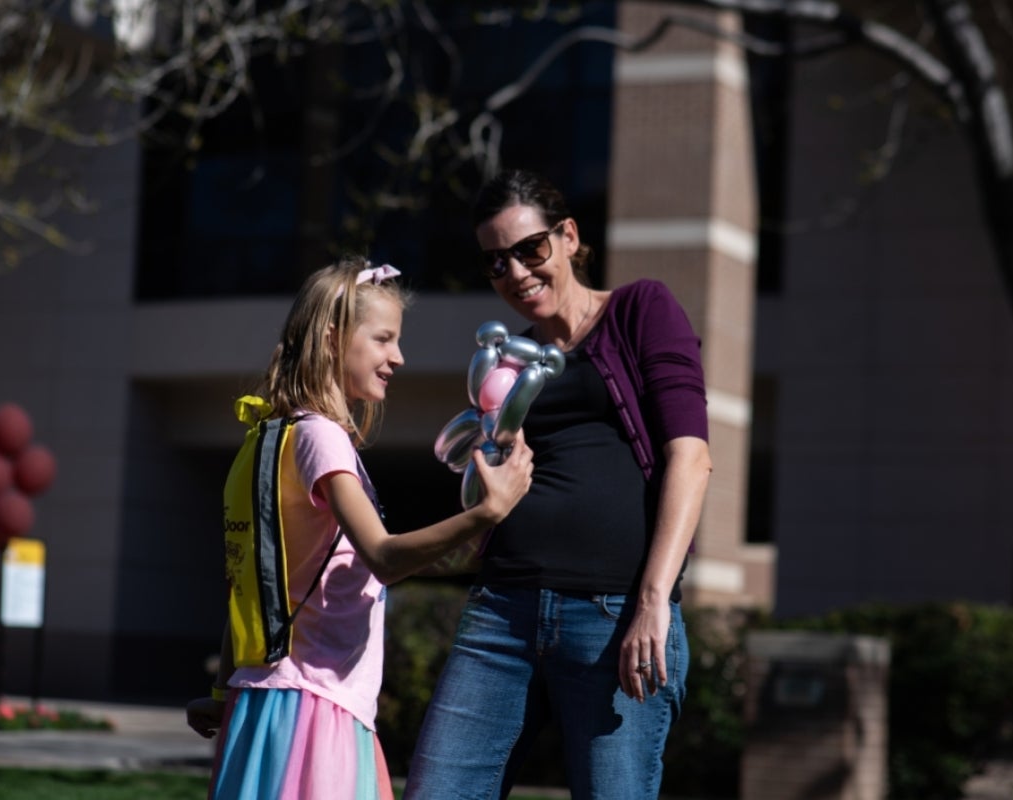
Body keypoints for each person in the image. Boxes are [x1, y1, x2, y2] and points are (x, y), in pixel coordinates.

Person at [404, 169, 713, 800]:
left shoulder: (639, 309)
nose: (516, 273)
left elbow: (691, 455)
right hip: (503, 613)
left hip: (613, 615)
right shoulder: (510, 363)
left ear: (568, 237)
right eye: (496, 263)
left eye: (530, 249)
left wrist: (653, 603)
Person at [185, 258, 534, 800]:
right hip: (316, 710)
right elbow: (384, 557)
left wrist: (221, 687)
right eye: (383, 339)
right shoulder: (322, 438)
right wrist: (487, 511)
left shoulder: (269, 436)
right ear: (332, 338)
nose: (398, 357)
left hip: (268, 701)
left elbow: (251, 582)